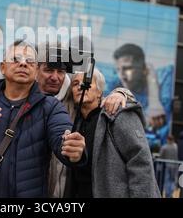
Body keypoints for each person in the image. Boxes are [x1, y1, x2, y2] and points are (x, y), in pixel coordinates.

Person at [0, 40, 86, 198]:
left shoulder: (50, 107)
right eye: (16, 59)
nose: (23, 64)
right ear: (2, 67)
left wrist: (72, 149)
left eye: (30, 61)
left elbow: (63, 137)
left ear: (36, 70)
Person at [36, 43, 136, 198]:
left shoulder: (75, 97)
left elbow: (99, 94)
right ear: (36, 70)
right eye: (48, 70)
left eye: (61, 71)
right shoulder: (24, 96)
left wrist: (122, 93)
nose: (55, 77)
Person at [66, 68, 160, 198]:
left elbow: (140, 161)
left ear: (100, 92)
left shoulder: (116, 114)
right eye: (75, 84)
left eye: (87, 82)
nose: (81, 86)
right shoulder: (74, 121)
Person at [113, 43, 172, 148]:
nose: (121, 74)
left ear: (144, 68)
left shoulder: (164, 78)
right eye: (118, 69)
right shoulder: (116, 84)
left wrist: (153, 96)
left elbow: (160, 117)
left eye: (127, 68)